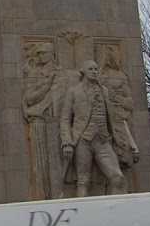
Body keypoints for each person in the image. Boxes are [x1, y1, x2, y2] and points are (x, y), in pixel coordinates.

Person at [60, 60, 140, 196]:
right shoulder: (74, 91)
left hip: (103, 141)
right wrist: (67, 142)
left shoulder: (105, 91)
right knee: (83, 180)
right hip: (82, 139)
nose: (94, 72)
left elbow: (117, 118)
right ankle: (82, 214)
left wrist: (130, 144)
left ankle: (115, 212)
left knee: (118, 178)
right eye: (90, 69)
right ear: (83, 72)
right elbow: (65, 118)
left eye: (96, 69)